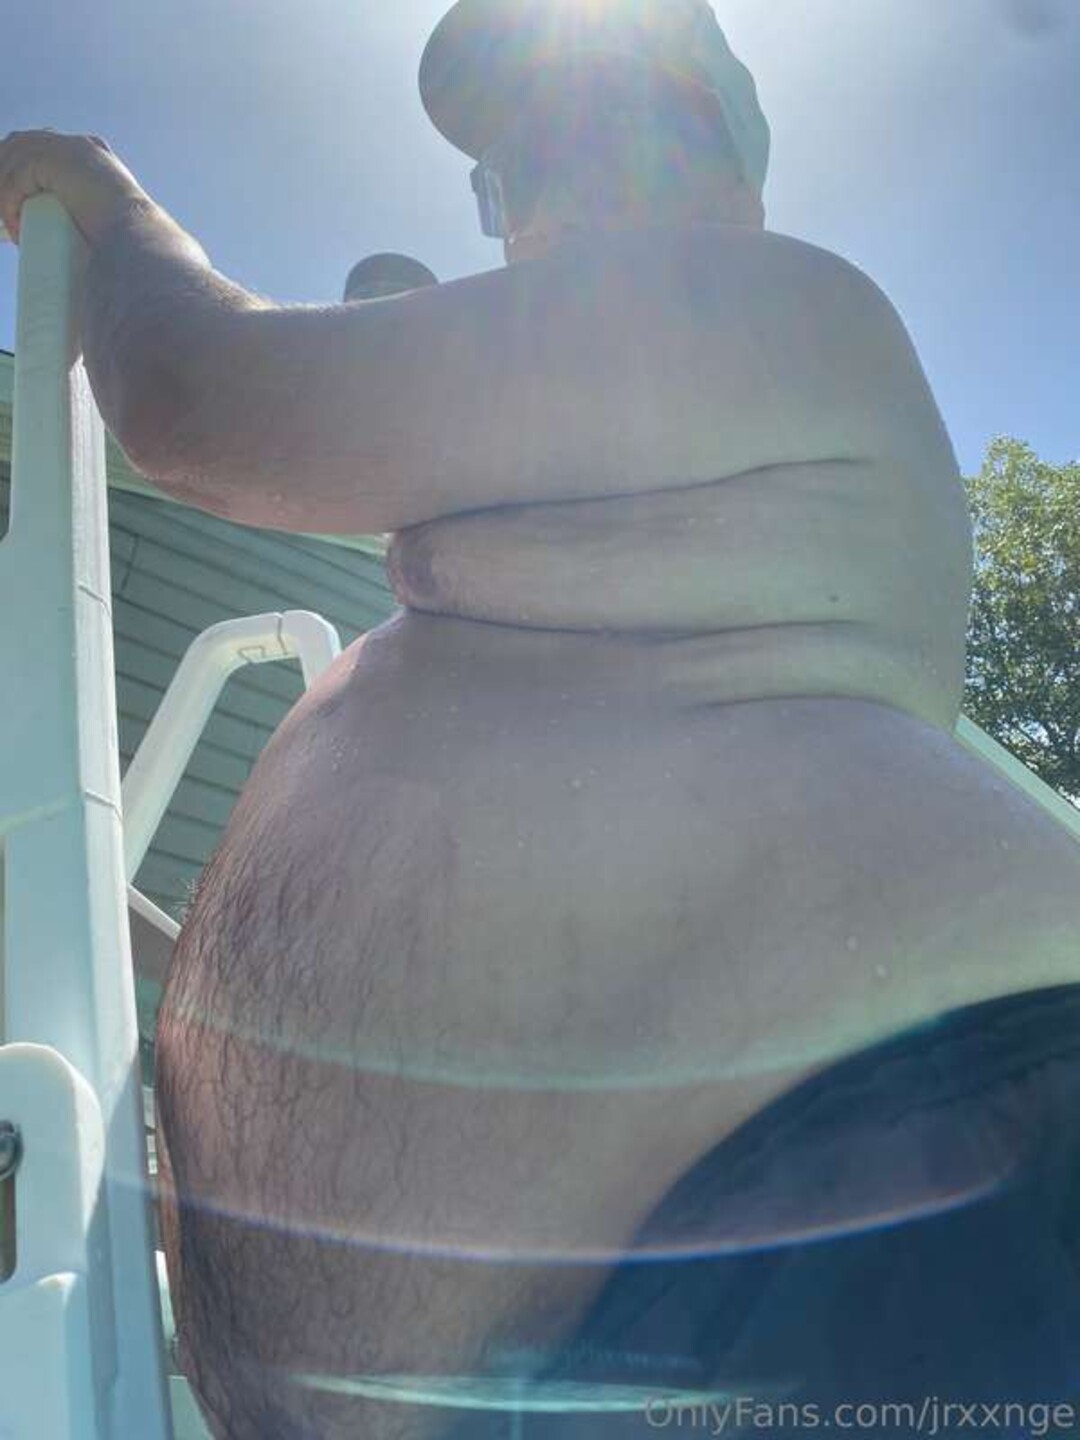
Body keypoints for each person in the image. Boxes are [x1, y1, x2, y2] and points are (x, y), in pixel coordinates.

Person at [2, 3, 1079, 1436]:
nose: (553, 201)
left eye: (617, 131)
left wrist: (109, 204)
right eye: (513, 173)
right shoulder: (512, 611)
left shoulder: (786, 310)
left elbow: (202, 401)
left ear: (731, 148)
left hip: (880, 1214)